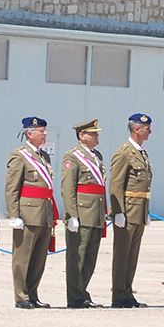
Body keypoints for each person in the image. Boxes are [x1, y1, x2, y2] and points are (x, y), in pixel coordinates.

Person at [5, 116, 57, 309]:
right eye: (41, 131)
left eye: (45, 131)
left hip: (44, 213)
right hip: (27, 213)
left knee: (38, 258)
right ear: (29, 133)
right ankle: (21, 296)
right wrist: (14, 215)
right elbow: (12, 187)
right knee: (23, 257)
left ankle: (33, 293)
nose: (45, 134)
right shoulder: (19, 156)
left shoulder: (44, 156)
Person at [60, 118, 108, 308]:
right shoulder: (72, 157)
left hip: (95, 214)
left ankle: (83, 291)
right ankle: (74, 297)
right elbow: (68, 188)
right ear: (82, 135)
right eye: (93, 133)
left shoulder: (97, 156)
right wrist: (72, 215)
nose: (97, 136)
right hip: (82, 212)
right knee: (77, 257)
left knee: (90, 258)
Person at [109, 113, 154, 308]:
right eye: (147, 128)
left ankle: (127, 292)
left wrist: (146, 210)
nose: (150, 131)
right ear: (137, 130)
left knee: (132, 255)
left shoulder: (141, 153)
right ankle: (118, 294)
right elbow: (116, 184)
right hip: (127, 211)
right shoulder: (124, 152)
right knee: (122, 254)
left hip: (139, 211)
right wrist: (117, 211)